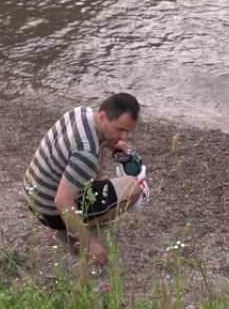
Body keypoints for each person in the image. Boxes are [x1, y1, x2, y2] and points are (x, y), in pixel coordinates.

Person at [23, 92, 144, 266]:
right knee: (133, 188)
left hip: (33, 193)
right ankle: (69, 234)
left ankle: (74, 226)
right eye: (120, 129)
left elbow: (80, 146)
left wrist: (111, 144)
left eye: (128, 131)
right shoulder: (87, 153)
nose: (124, 137)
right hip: (50, 210)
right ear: (102, 116)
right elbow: (62, 201)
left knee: (92, 168)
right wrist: (90, 245)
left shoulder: (81, 112)